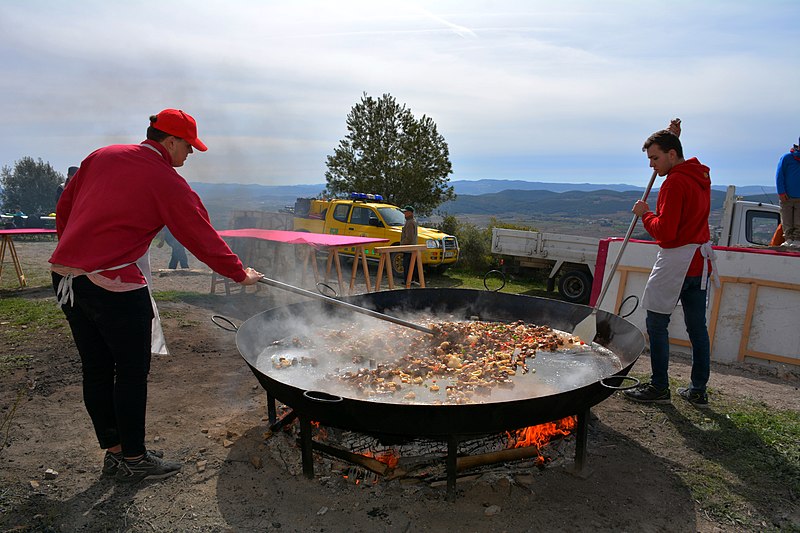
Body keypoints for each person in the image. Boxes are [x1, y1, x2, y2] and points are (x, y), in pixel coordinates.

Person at [49, 108, 263, 483]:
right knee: (131, 372)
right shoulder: (166, 181)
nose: (190, 155)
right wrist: (239, 273)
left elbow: (65, 207)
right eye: (189, 147)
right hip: (109, 283)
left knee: (97, 368)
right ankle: (134, 458)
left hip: (66, 276)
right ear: (171, 141)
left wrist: (73, 249)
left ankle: (116, 452)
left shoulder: (103, 155)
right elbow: (200, 234)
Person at [623, 120, 718, 408]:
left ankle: (659, 387)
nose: (652, 165)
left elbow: (666, 231)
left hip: (676, 260)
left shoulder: (674, 183)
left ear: (672, 154)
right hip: (699, 264)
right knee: (697, 328)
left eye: (655, 158)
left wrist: (646, 213)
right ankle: (698, 389)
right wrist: (671, 137)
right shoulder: (699, 176)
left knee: (656, 323)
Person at [775, 138, 800, 248]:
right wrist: (781, 192)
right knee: (787, 219)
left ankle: (797, 240)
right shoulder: (787, 158)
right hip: (787, 196)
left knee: (798, 221)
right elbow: (779, 175)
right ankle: (788, 239)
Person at [400, 205, 419, 285]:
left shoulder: (410, 223)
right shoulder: (411, 221)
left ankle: (408, 281)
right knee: (412, 265)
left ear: (410, 213)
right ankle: (411, 280)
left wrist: (401, 243)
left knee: (407, 266)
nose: (404, 214)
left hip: (408, 249)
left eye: (406, 212)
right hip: (411, 248)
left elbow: (409, 238)